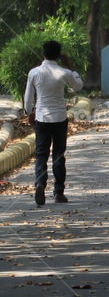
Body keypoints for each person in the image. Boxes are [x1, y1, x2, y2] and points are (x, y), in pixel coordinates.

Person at [23, 40, 83, 206]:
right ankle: (58, 193)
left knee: (41, 154)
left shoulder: (34, 72)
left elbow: (28, 99)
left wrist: (28, 113)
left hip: (42, 118)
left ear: (43, 53)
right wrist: (70, 67)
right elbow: (78, 86)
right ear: (59, 54)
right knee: (58, 155)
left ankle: (40, 184)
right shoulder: (64, 72)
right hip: (59, 118)